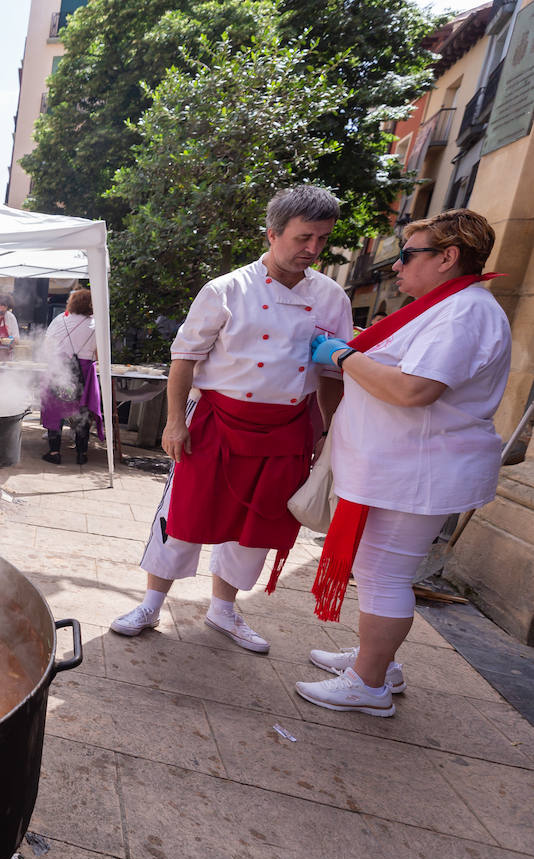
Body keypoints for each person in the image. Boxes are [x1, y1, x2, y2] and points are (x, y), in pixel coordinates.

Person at [110, 186, 353, 654]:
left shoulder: (331, 298)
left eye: (322, 239)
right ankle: (151, 603)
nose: (314, 249)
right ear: (273, 233)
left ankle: (224, 610)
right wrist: (174, 423)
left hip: (287, 429)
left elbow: (329, 373)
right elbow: (184, 357)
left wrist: (326, 430)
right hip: (218, 420)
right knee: (182, 515)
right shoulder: (226, 289)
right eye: (304, 237)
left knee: (256, 522)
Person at [295, 209, 510, 716]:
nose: (396, 267)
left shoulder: (465, 311)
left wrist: (343, 357)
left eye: (408, 255)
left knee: (385, 574)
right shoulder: (445, 307)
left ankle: (368, 683)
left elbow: (414, 389)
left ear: (448, 258)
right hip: (401, 468)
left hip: (419, 471)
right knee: (377, 572)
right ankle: (378, 661)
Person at [39, 287, 103, 465]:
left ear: (72, 303)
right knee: (83, 412)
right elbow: (99, 354)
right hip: (85, 372)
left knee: (54, 410)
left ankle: (54, 452)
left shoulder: (60, 320)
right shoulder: (96, 324)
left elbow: (47, 347)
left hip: (59, 368)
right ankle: (81, 453)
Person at [0, 292, 19, 360]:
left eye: (2, 313)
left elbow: (16, 340)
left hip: (5, 358)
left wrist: (9, 340)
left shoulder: (10, 318)